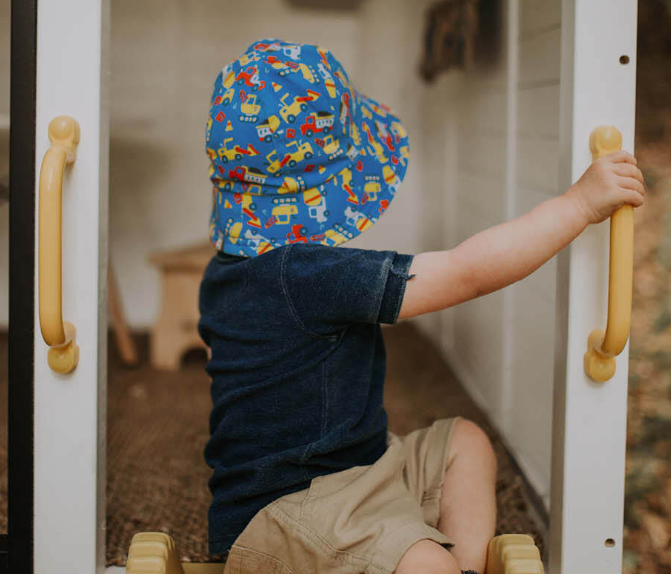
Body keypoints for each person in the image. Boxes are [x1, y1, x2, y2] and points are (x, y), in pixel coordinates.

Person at [198, 39, 645, 574]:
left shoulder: (232, 268)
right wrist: (577, 206)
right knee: (423, 563)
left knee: (466, 443)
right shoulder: (306, 276)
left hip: (363, 470)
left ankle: (459, 565)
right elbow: (466, 272)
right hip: (288, 511)